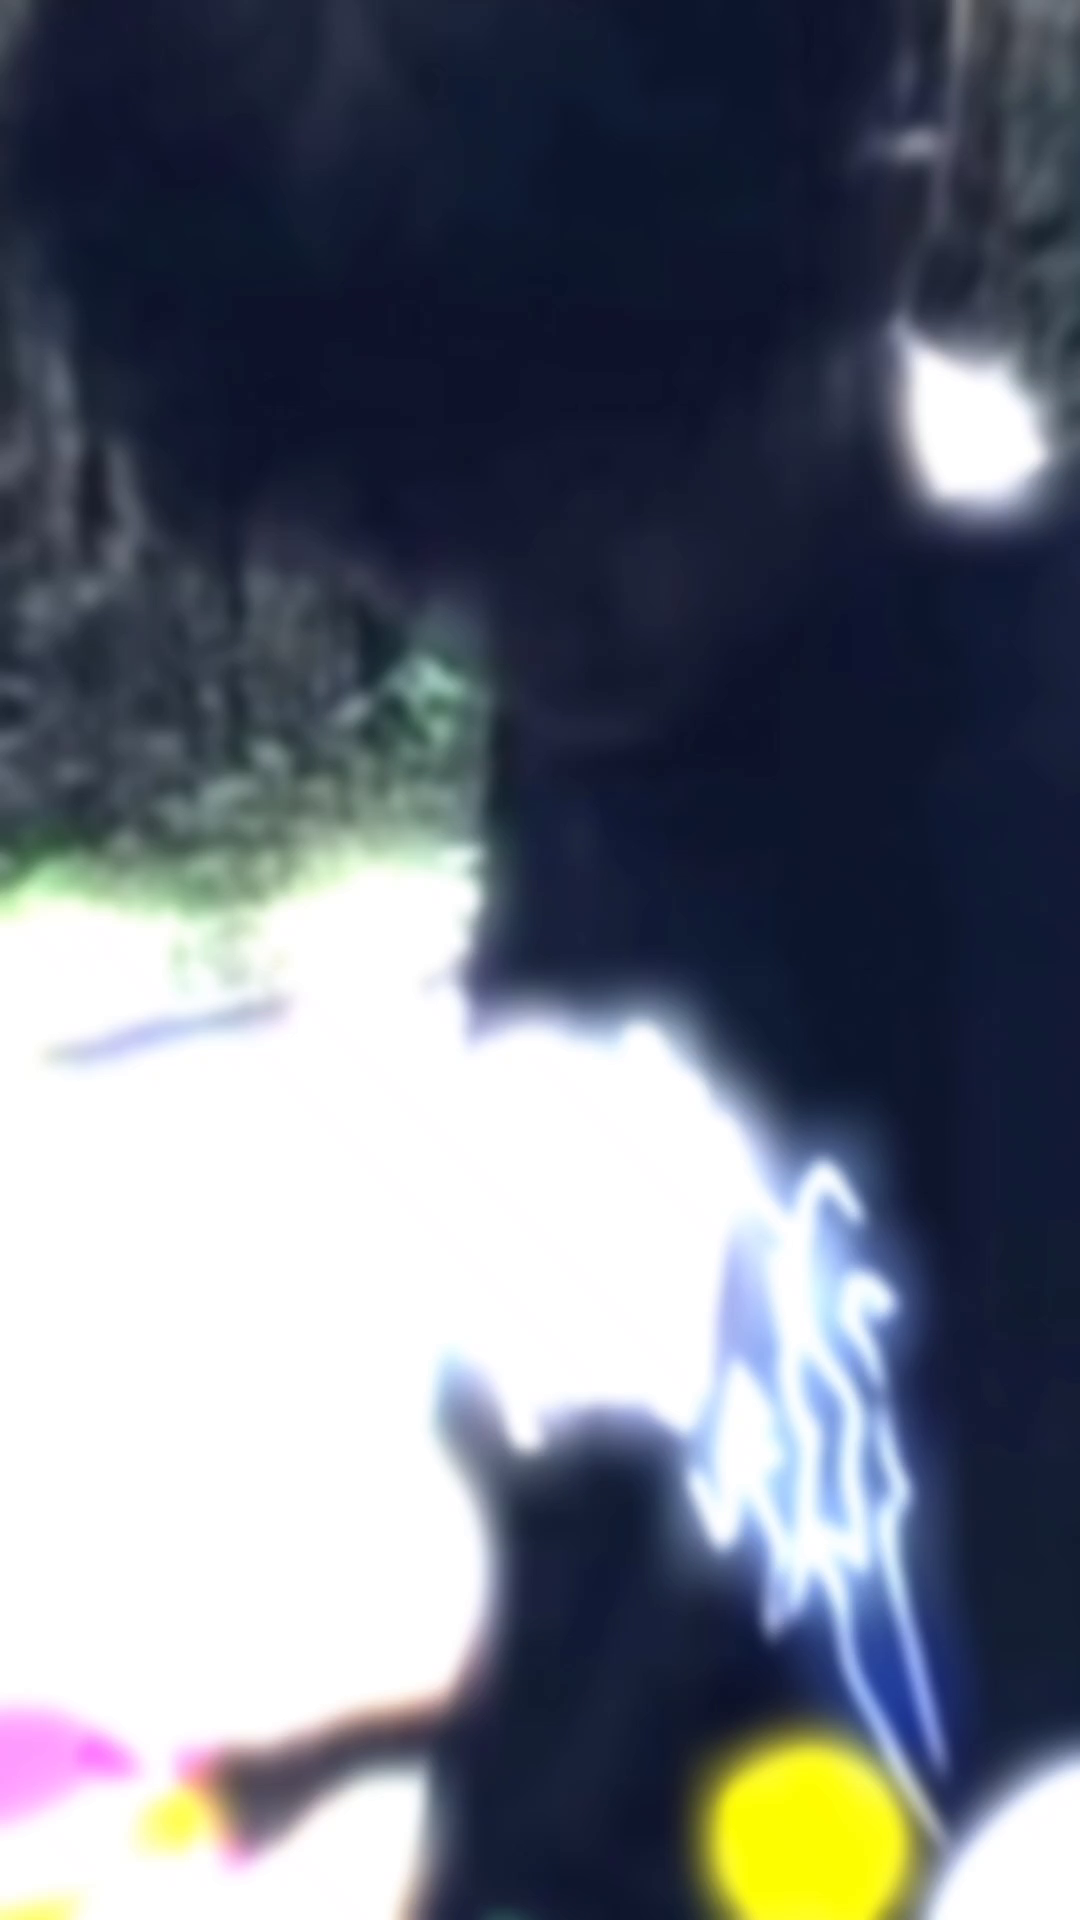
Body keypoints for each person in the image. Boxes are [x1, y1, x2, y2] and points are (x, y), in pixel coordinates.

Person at [4, 0, 1080, 1899]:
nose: (535, 630)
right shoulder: (638, 715)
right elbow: (661, 1484)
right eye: (418, 540)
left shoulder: (1017, 821)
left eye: (597, 514)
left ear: (876, 212)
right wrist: (434, 1776)